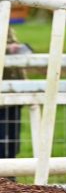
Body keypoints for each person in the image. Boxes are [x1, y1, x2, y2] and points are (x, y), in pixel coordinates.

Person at [0, 28, 33, 165]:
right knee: (3, 140)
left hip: (13, 91)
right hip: (7, 90)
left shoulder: (5, 21)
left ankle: (9, 178)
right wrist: (8, 49)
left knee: (11, 140)